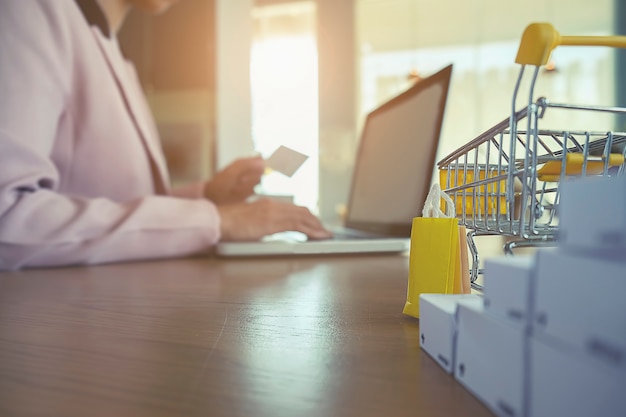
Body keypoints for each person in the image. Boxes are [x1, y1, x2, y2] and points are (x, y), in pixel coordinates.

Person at [0, 0, 331, 271]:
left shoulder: (117, 53)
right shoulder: (29, 11)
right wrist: (214, 219)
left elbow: (116, 204)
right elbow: (8, 218)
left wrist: (208, 196)